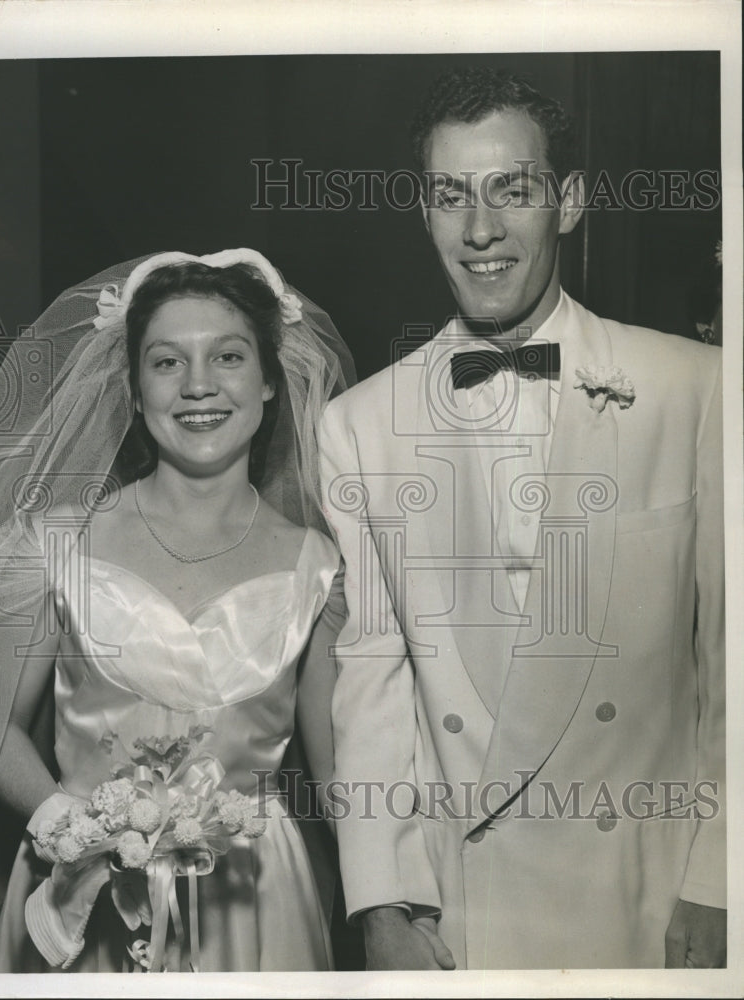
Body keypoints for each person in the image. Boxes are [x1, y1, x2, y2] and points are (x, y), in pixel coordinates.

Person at [318, 68, 725, 969]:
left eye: (513, 190)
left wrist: (720, 878)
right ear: (423, 213)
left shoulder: (694, 388)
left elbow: (727, 665)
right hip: (463, 911)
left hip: (648, 893)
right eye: (450, 196)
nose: (480, 230)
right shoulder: (358, 424)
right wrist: (379, 900)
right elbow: (371, 679)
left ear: (569, 202)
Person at [0, 249, 354, 972]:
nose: (197, 386)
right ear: (131, 387)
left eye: (227, 357)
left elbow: (341, 781)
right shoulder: (54, 543)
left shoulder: (319, 566)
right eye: (165, 363)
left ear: (269, 381)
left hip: (258, 904)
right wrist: (73, 829)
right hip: (79, 892)